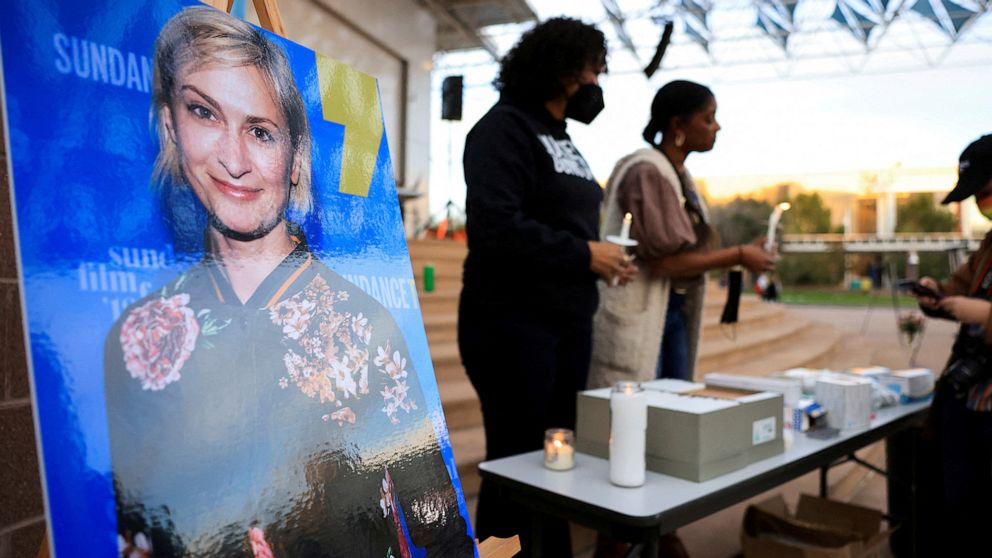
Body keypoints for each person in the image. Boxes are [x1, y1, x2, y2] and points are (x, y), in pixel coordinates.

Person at [103, 7, 474, 557]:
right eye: (204, 112)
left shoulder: (360, 328)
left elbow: (437, 527)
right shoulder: (136, 340)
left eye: (260, 131)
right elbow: (137, 532)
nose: (233, 159)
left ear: (297, 157)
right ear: (170, 127)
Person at [458, 17, 635, 557]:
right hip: (511, 325)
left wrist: (601, 254)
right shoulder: (501, 130)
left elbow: (564, 220)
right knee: (517, 464)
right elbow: (495, 227)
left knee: (557, 457)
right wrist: (585, 253)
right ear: (561, 70)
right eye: (593, 70)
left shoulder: (563, 138)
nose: (599, 82)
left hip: (566, 324)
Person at [589, 80, 775, 389]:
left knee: (671, 414)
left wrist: (747, 249)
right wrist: (739, 255)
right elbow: (664, 263)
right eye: (708, 117)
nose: (717, 127)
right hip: (643, 313)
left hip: (671, 313)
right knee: (641, 415)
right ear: (678, 123)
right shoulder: (647, 171)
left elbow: (685, 251)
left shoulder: (678, 175)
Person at [911, 134, 992, 556]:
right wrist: (936, 295)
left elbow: (977, 307)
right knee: (955, 507)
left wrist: (984, 315)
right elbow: (959, 290)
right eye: (977, 197)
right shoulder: (989, 244)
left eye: (988, 193)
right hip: (967, 394)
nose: (982, 205)